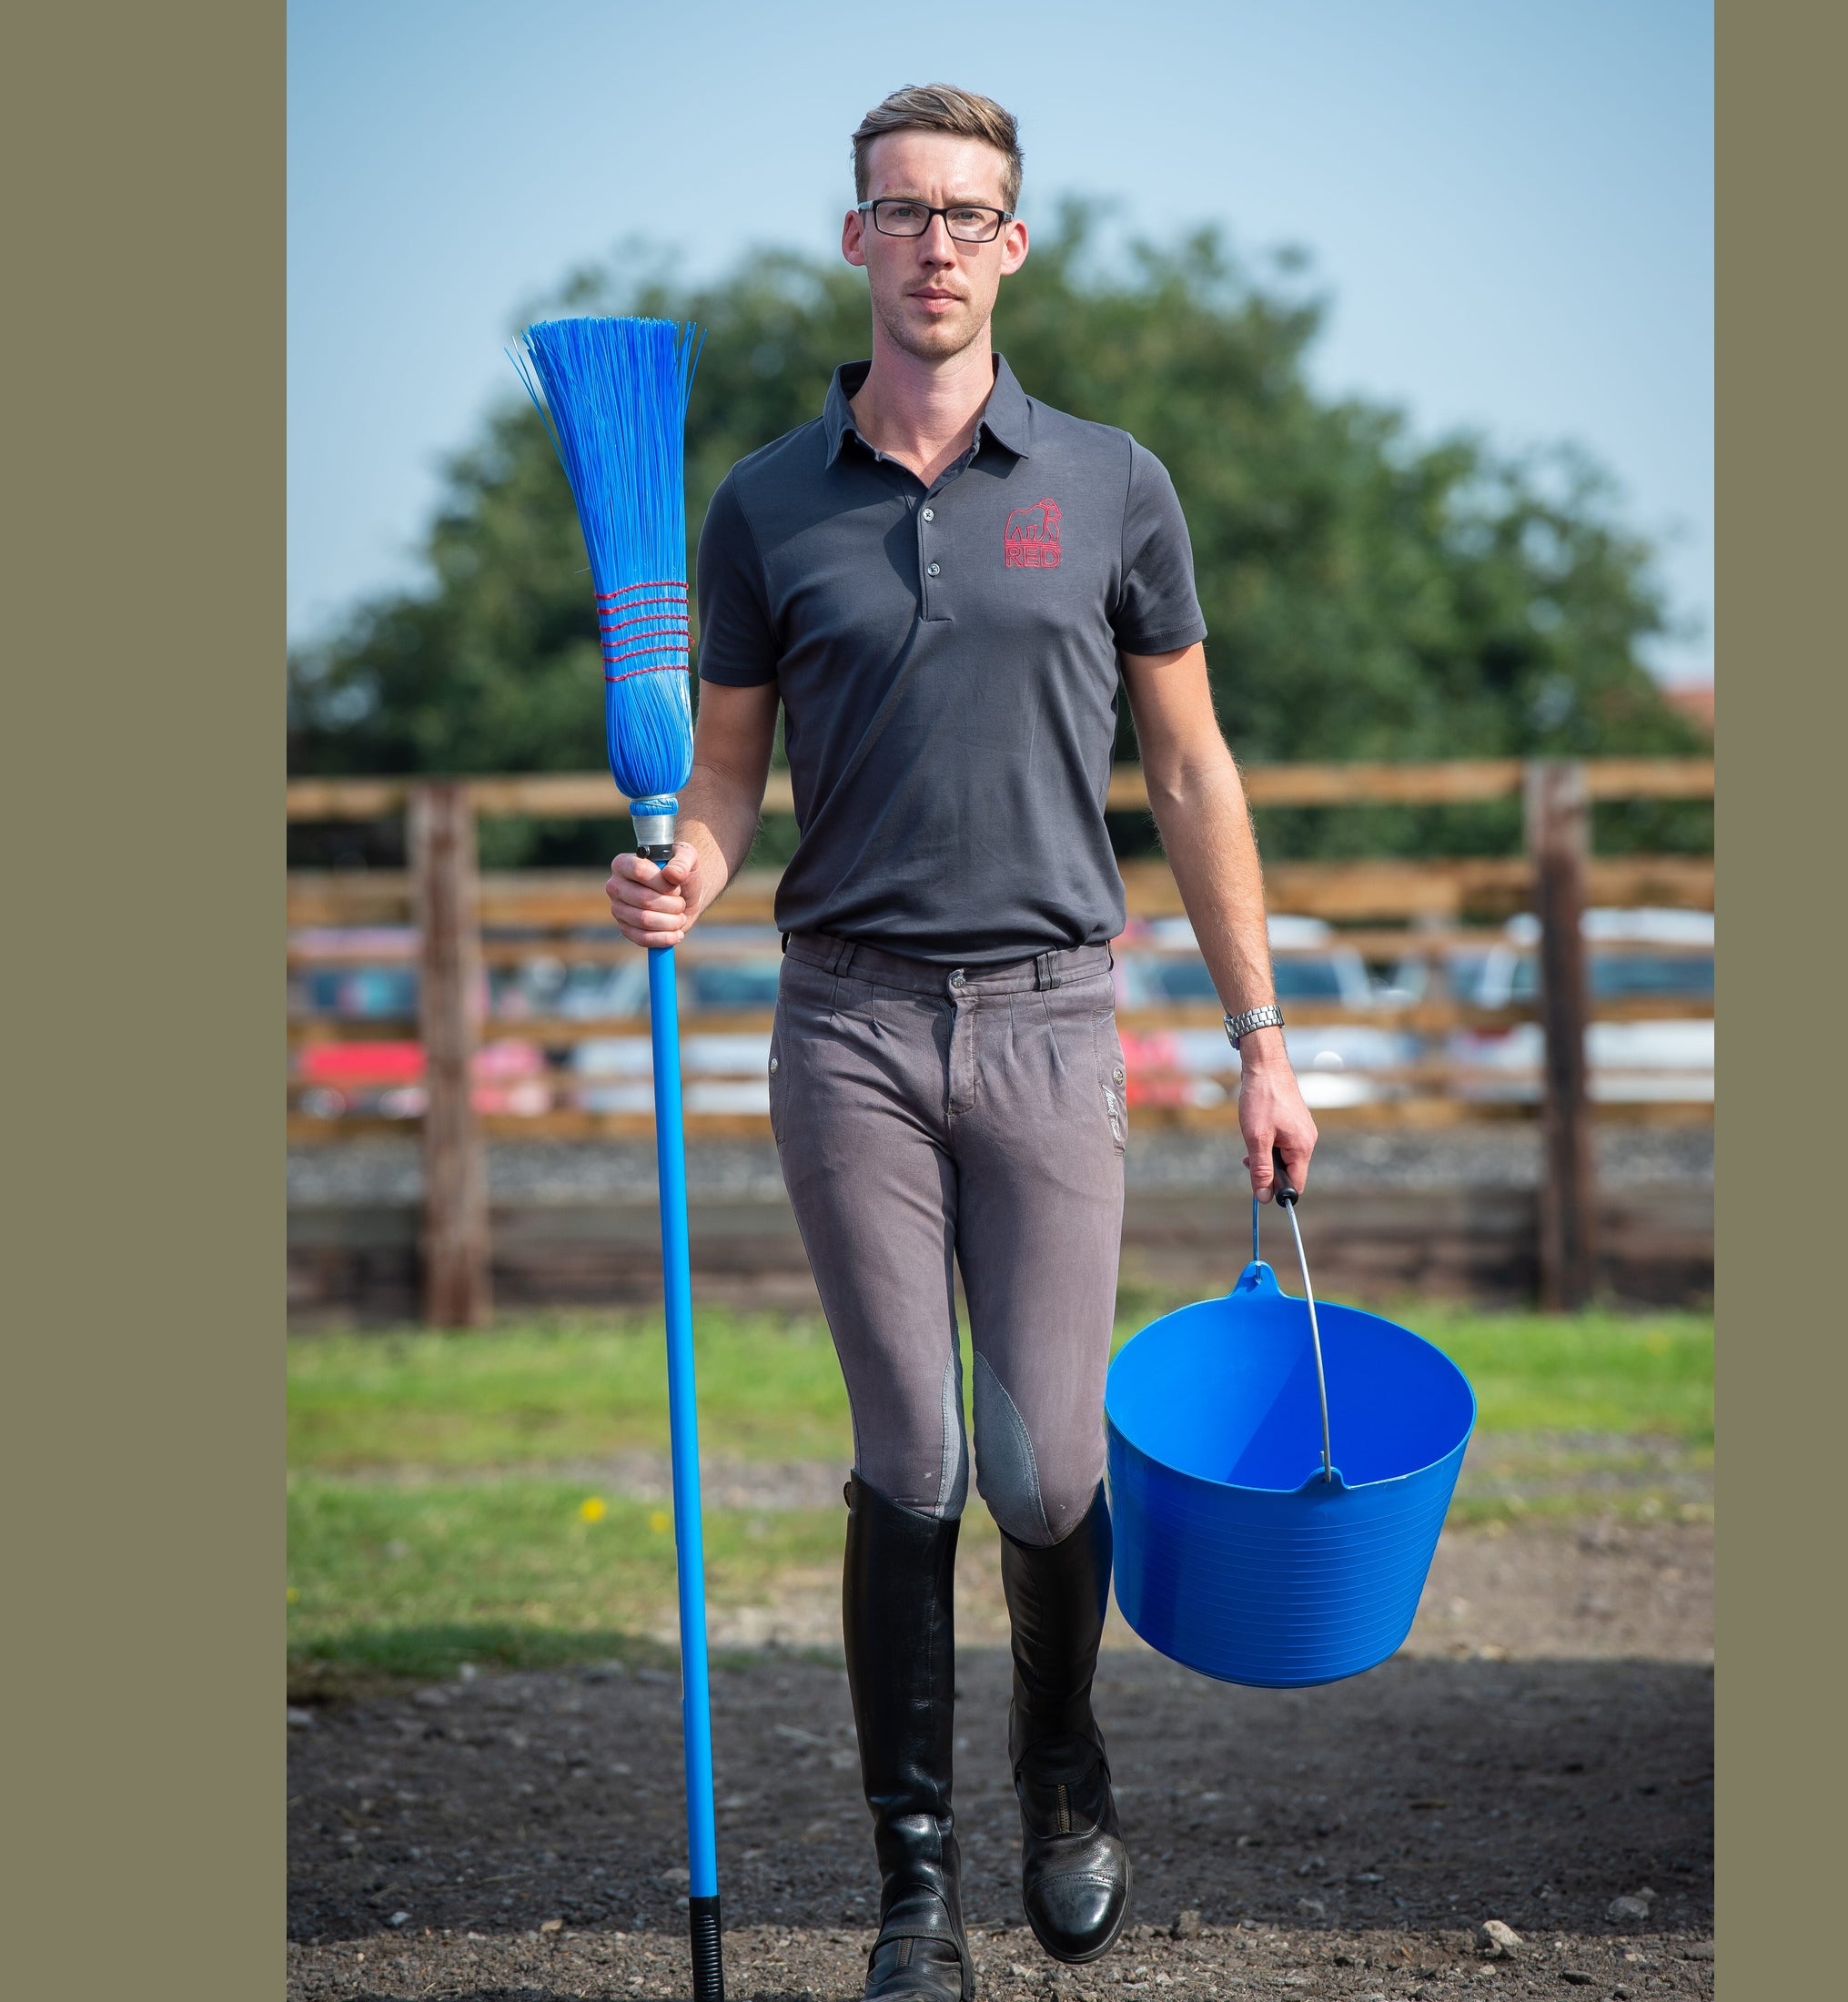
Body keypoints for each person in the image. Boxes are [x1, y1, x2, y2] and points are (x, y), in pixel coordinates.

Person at [605, 83, 1318, 2002]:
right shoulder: (764, 502)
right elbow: (728, 773)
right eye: (901, 209)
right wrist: (681, 869)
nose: (933, 242)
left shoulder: (1111, 482)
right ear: (854, 237)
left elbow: (1191, 769)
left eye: (966, 212)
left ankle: (1059, 1769)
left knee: (1046, 1461)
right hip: (844, 1019)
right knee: (910, 1452)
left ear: (1013, 244)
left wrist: (1259, 1038)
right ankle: (912, 1889)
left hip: (1049, 1019)